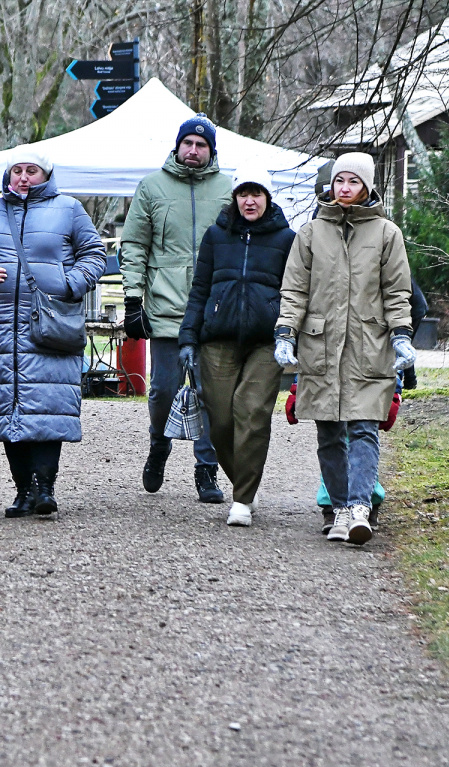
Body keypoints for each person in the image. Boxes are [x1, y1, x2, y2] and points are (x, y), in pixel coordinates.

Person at [0, 146, 106, 516]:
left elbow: (94, 255)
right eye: (17, 170)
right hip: (0, 327)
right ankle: (23, 491)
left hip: (50, 325)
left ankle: (45, 488)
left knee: (49, 406)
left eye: (31, 170)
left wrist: (69, 284)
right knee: (9, 407)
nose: (23, 177)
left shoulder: (69, 209)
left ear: (46, 175)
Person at [274, 152, 415, 545]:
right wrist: (285, 333)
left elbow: (397, 291)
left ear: (367, 185)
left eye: (353, 181)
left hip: (369, 347)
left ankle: (359, 508)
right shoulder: (310, 234)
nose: (345, 187)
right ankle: (337, 508)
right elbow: (294, 291)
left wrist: (401, 335)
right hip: (321, 347)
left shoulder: (387, 234)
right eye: (340, 180)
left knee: (365, 428)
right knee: (329, 432)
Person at [121, 113, 232, 504]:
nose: (193, 150)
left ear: (211, 151)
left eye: (201, 145)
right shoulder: (152, 187)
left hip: (212, 311)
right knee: (163, 390)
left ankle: (206, 469)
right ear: (177, 146)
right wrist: (132, 299)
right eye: (188, 143)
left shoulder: (228, 189)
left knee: (210, 393)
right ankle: (159, 444)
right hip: (165, 306)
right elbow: (134, 245)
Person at [178, 167, 295, 527]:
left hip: (266, 341)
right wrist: (188, 337)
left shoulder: (287, 239)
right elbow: (200, 289)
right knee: (221, 421)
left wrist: (290, 335)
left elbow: (295, 292)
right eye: (243, 193)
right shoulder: (216, 235)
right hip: (219, 338)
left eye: (257, 193)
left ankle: (242, 499)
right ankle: (245, 481)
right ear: (234, 197)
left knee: (252, 411)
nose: (250, 200)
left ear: (268, 198)